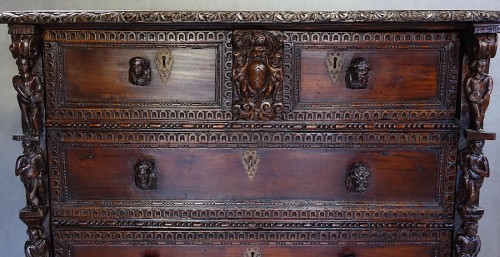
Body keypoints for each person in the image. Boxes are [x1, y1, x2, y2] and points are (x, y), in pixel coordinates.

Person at [13, 58, 43, 135]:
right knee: (25, 116)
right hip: (23, 99)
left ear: (30, 65)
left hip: (34, 100)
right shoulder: (16, 79)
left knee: (34, 116)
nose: (22, 67)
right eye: (20, 65)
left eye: (25, 64)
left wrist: (37, 94)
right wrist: (29, 97)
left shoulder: (35, 78)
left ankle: (37, 132)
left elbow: (40, 89)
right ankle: (28, 130)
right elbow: (19, 90)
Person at [15, 140, 46, 211]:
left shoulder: (38, 156)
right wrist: (26, 167)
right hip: (26, 180)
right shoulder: (21, 158)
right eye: (25, 148)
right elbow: (17, 172)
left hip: (36, 179)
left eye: (29, 148)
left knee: (35, 194)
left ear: (33, 147)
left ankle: (39, 205)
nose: (27, 150)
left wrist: (39, 176)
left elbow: (44, 169)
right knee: (29, 194)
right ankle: (31, 206)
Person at [461, 140, 490, 212]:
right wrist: (466, 175)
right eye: (476, 148)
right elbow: (463, 165)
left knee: (474, 195)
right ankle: (466, 206)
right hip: (470, 179)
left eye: (479, 148)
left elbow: (487, 174)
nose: (478, 150)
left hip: (479, 180)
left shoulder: (483, 158)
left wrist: (475, 169)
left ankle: (468, 205)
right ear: (472, 146)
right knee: (473, 194)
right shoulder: (468, 156)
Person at [465, 59, 493, 131]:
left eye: (484, 67)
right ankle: (477, 128)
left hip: (485, 99)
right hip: (474, 99)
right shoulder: (470, 79)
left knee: (482, 114)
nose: (483, 69)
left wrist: (483, 98)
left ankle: (479, 127)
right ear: (474, 67)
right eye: (480, 67)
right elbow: (467, 89)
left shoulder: (488, 78)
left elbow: (489, 90)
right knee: (476, 114)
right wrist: (471, 95)